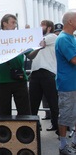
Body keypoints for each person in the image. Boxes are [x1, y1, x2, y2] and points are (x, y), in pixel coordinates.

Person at [0, 14, 31, 115]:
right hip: (3, 79)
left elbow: (31, 55)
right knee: (4, 111)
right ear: (4, 24)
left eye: (16, 23)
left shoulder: (20, 37)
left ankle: (24, 130)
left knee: (24, 110)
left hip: (19, 79)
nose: (15, 25)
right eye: (12, 23)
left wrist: (38, 47)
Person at [27, 20, 58, 132]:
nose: (40, 27)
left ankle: (56, 125)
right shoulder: (40, 38)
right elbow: (31, 53)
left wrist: (28, 33)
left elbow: (37, 41)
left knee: (52, 101)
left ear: (49, 28)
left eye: (42, 25)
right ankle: (33, 126)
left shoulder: (52, 36)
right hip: (35, 72)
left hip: (47, 72)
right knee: (33, 102)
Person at [55, 11, 76, 155]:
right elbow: (74, 59)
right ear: (70, 21)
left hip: (73, 83)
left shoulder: (71, 37)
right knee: (66, 115)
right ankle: (63, 146)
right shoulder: (63, 39)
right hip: (68, 85)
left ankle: (74, 142)